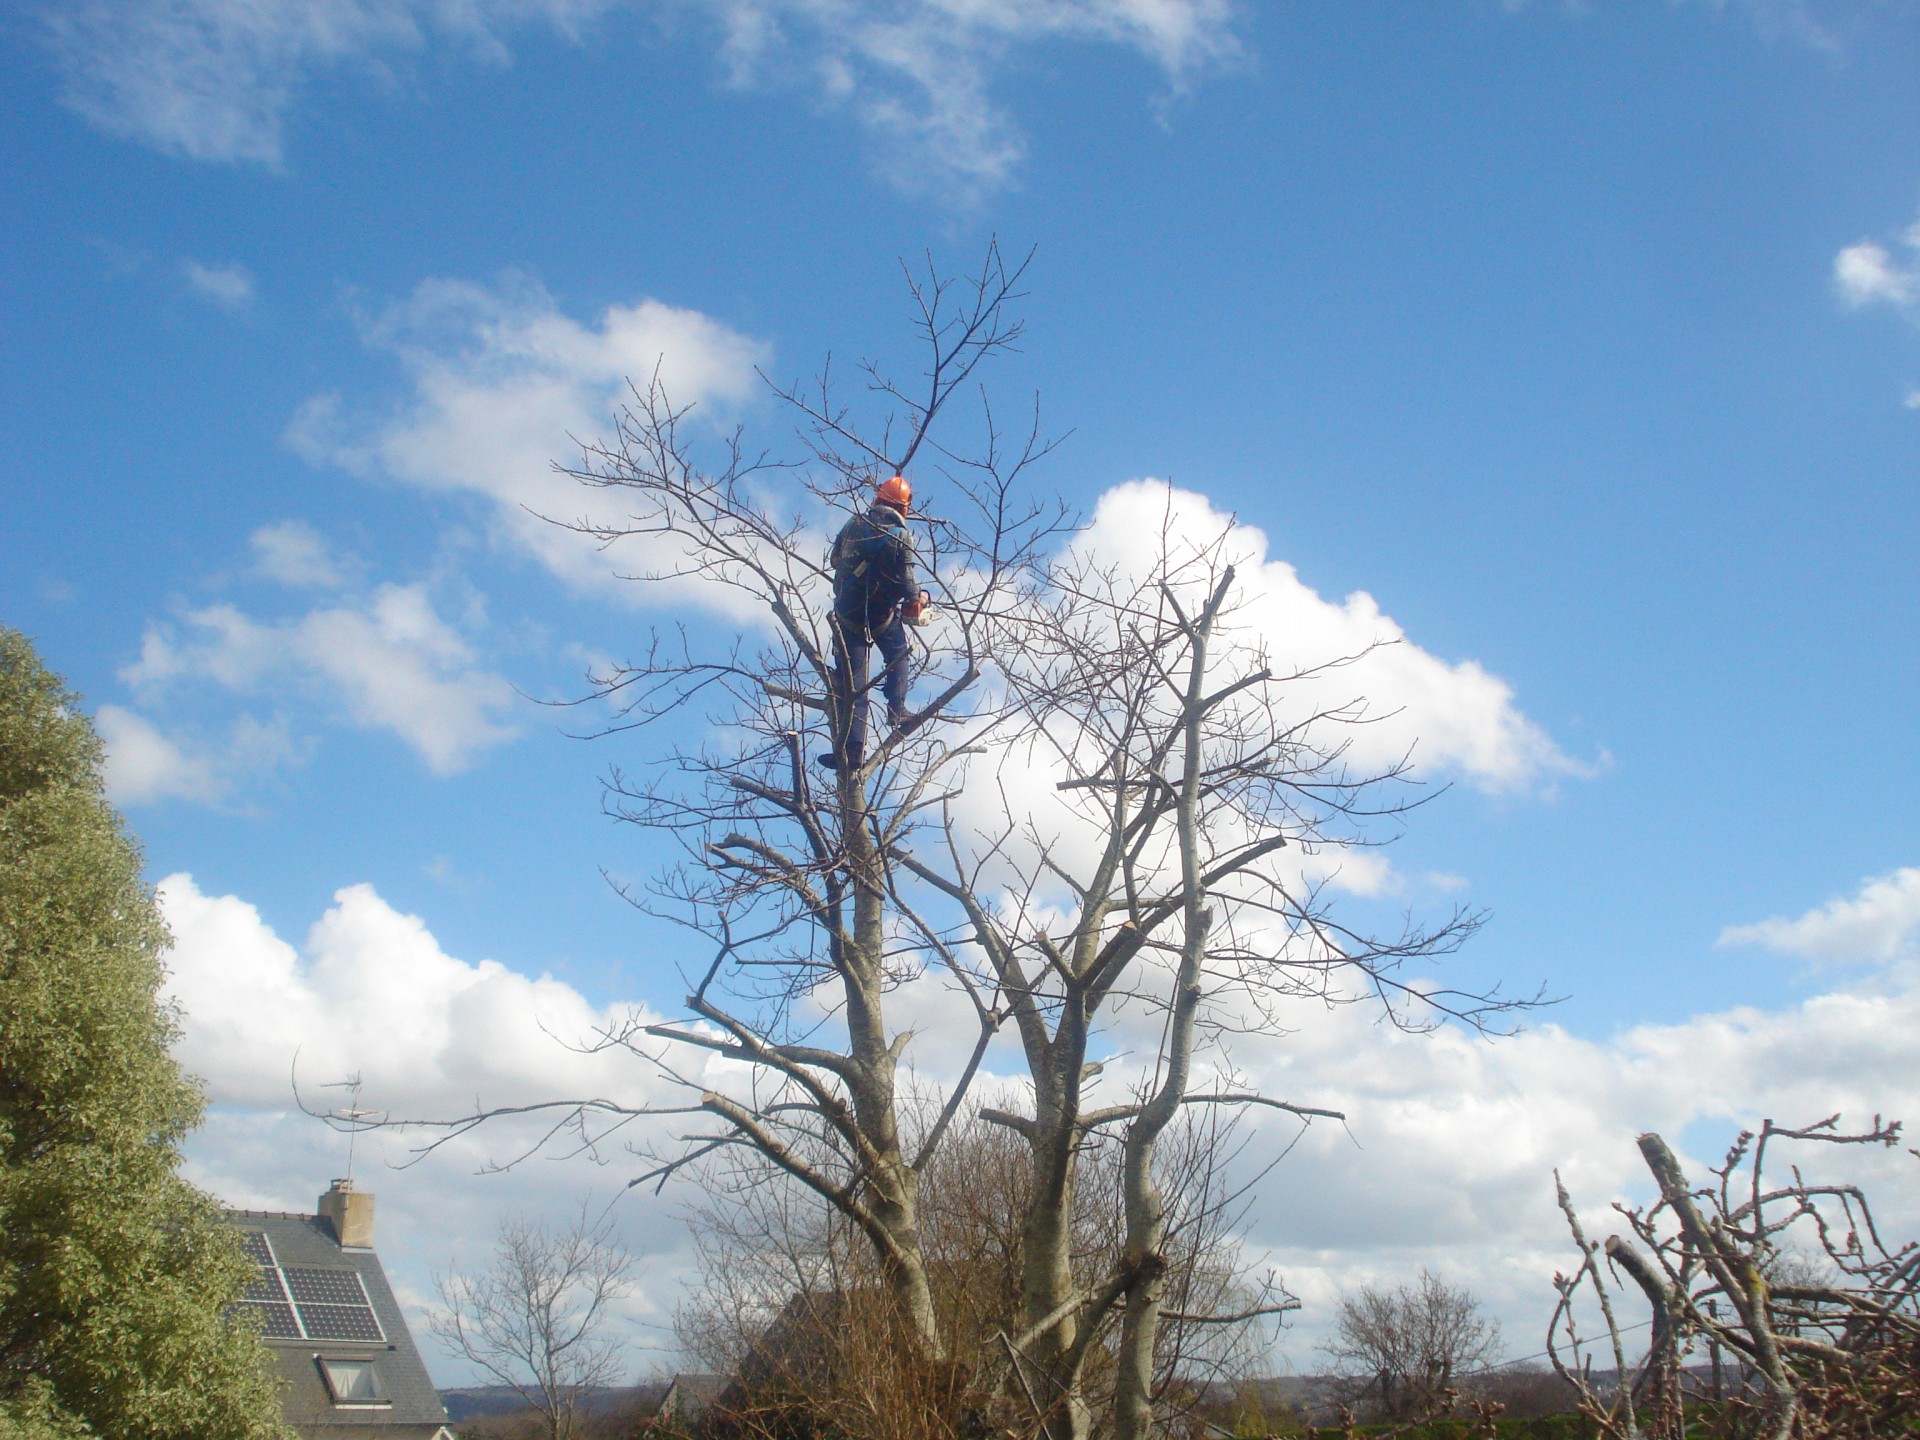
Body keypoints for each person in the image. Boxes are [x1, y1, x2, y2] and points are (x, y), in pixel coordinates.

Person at [820, 475, 925, 770]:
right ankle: (897, 709)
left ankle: (853, 752)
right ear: (904, 509)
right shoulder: (901, 536)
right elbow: (907, 584)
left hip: (847, 614)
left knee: (854, 687)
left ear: (877, 500)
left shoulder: (853, 524)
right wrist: (919, 599)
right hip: (881, 616)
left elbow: (833, 559)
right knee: (899, 653)